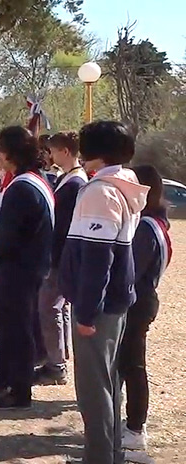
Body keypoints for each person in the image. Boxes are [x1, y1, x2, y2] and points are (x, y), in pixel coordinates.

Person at [60, 121, 147, 464]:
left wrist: (85, 313)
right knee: (108, 383)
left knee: (94, 390)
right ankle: (110, 455)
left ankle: (98, 458)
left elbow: (97, 259)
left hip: (97, 307)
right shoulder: (123, 185)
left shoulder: (100, 191)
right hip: (115, 303)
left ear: (89, 153)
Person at [0, 126, 54, 411]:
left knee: (18, 331)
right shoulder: (32, 180)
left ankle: (20, 391)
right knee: (6, 327)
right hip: (24, 268)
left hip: (19, 270)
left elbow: (6, 234)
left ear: (9, 153)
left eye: (0, 149)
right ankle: (2, 377)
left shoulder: (22, 187)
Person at [119, 165, 170, 460]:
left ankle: (135, 433)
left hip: (136, 304)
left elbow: (131, 272)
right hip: (141, 300)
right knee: (128, 366)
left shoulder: (147, 228)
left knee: (133, 367)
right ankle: (131, 427)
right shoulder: (154, 223)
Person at [36, 131, 87, 386]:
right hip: (60, 256)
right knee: (59, 308)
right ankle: (59, 357)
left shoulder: (75, 183)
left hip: (59, 256)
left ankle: (56, 365)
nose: (51, 156)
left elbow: (63, 226)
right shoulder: (68, 178)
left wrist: (52, 258)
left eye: (54, 151)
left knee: (49, 307)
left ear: (65, 152)